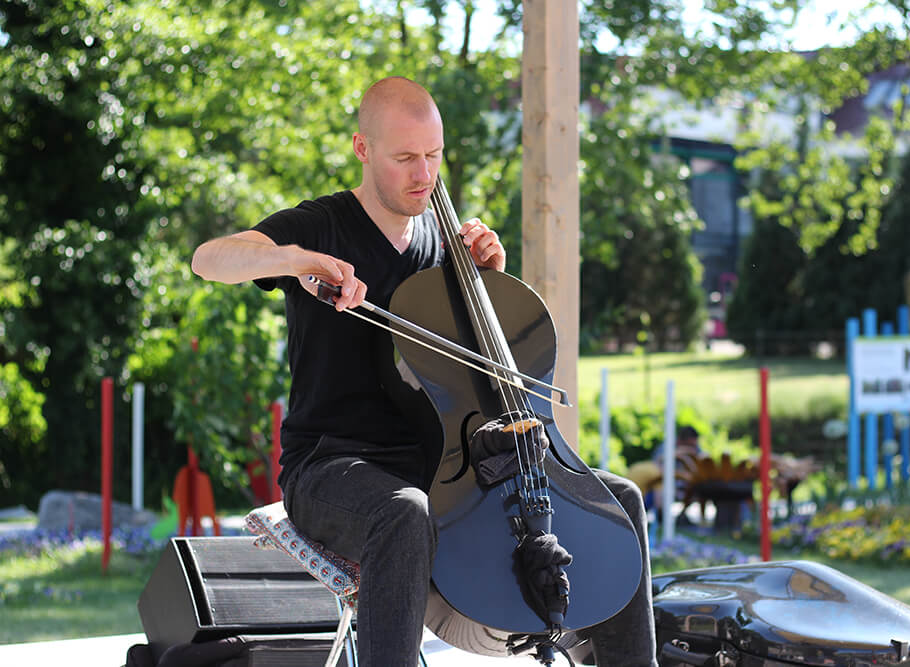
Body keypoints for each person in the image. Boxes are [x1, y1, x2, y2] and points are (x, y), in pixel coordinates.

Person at [192, 76, 658, 667]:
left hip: (445, 466)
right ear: (363, 149)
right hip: (334, 465)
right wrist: (294, 259)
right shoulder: (321, 225)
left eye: (433, 156)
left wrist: (487, 285)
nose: (424, 175)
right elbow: (208, 259)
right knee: (404, 511)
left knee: (619, 500)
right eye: (405, 158)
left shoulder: (447, 247)